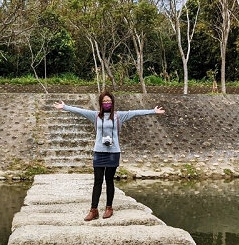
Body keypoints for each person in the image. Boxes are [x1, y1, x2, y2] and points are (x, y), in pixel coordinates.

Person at [53, 91, 165, 221]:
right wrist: (65, 107)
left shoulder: (119, 116)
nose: (107, 103)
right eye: (104, 101)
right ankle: (93, 210)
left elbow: (135, 113)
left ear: (112, 102)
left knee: (109, 180)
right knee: (97, 181)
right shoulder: (95, 116)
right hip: (99, 152)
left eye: (109, 101)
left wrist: (153, 111)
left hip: (113, 152)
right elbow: (80, 111)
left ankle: (109, 208)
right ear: (101, 103)